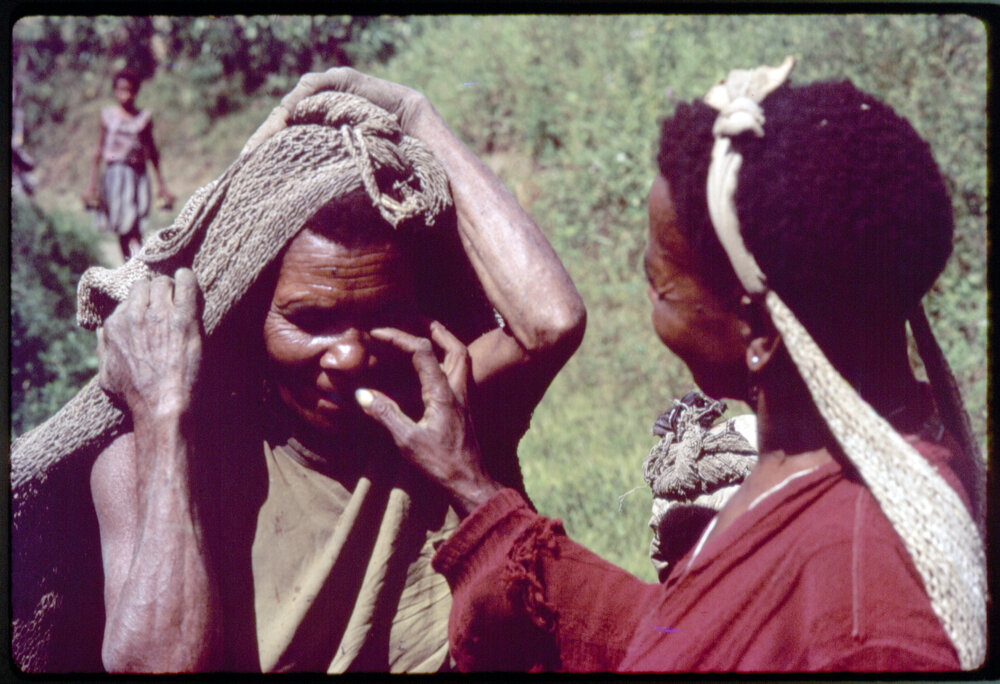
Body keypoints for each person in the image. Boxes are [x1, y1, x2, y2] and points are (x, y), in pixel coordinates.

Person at [325, 62, 986, 671]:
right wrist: (474, 492)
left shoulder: (872, 606)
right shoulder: (827, 466)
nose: (647, 303)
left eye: (659, 284)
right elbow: (679, 637)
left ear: (759, 333)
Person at [11, 85, 584, 672]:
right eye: (310, 321)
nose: (350, 357)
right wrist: (163, 414)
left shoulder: (436, 417)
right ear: (249, 320)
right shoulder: (156, 458)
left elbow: (549, 324)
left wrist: (416, 116)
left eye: (381, 314)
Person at [82, 68, 176, 260]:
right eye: (121, 90)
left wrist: (161, 185)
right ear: (115, 91)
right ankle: (129, 262)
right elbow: (98, 151)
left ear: (136, 92)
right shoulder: (108, 116)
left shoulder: (143, 118)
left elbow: (152, 152)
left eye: (130, 90)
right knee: (122, 224)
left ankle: (137, 261)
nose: (126, 95)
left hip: (138, 174)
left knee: (136, 222)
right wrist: (92, 186)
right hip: (115, 176)